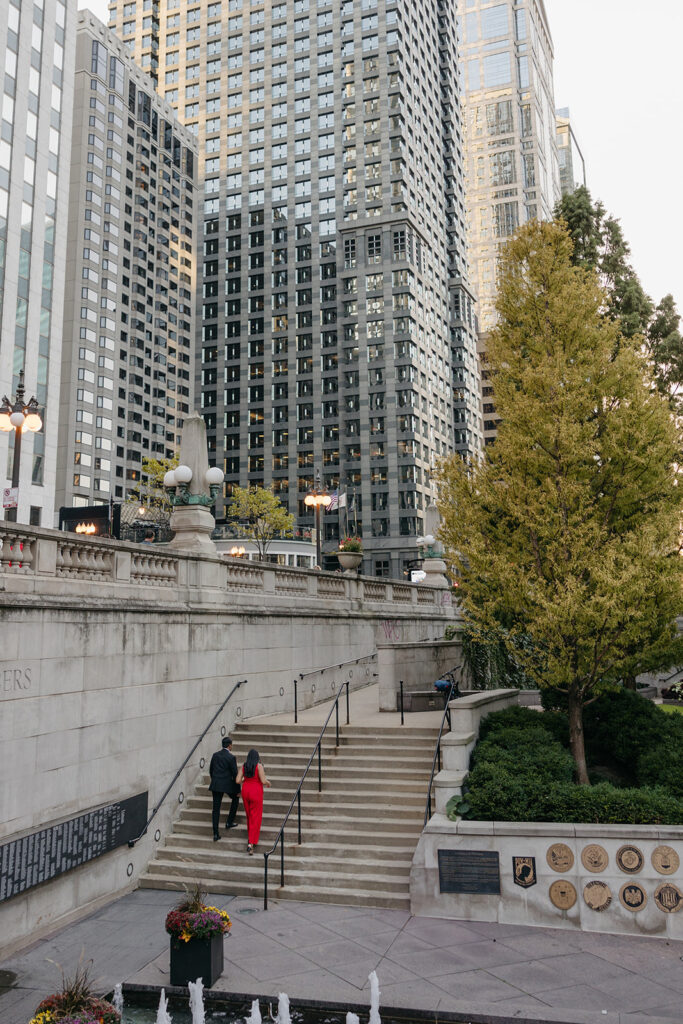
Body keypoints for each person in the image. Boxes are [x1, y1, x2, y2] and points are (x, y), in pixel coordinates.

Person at [236, 747, 271, 854]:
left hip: (246, 790)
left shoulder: (244, 766)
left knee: (249, 816)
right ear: (257, 757)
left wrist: (245, 779)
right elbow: (263, 780)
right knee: (255, 817)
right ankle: (251, 843)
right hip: (255, 791)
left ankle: (251, 840)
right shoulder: (259, 766)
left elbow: (237, 780)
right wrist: (269, 783)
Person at [208, 736, 240, 841]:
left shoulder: (215, 755)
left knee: (215, 809)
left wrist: (215, 780)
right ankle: (229, 822)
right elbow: (235, 774)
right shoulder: (231, 757)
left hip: (216, 784)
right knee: (235, 798)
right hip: (227, 785)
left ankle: (215, 834)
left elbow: (211, 770)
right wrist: (238, 790)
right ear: (230, 745)